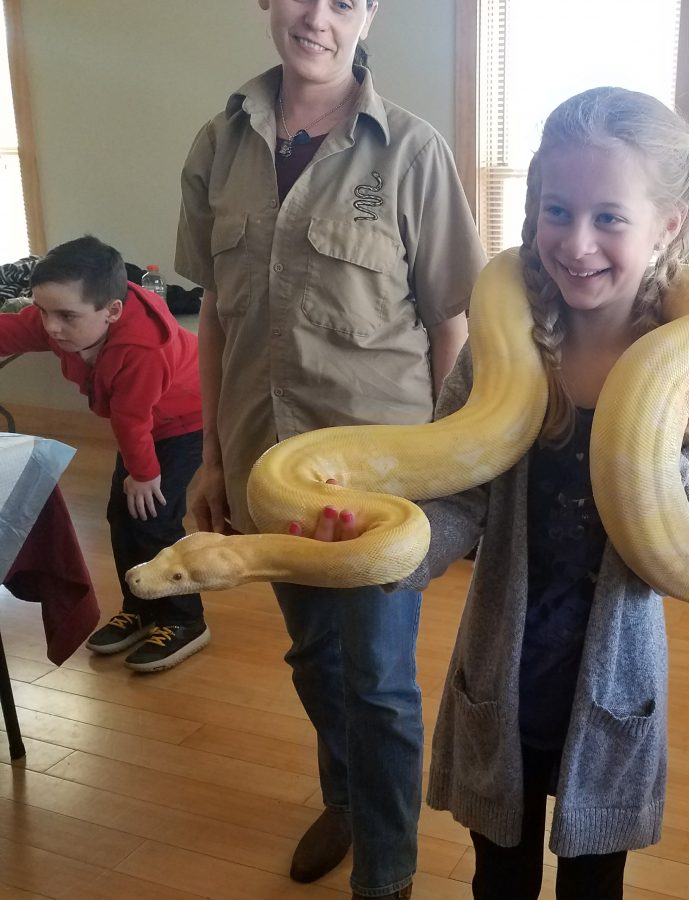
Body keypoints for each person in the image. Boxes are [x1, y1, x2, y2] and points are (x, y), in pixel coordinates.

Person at [305, 86, 689, 900]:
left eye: (610, 217)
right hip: (501, 675)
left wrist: (680, 444)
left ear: (667, 226)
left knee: (592, 884)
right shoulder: (500, 354)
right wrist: (384, 548)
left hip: (610, 690)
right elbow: (455, 498)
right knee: (497, 877)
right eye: (555, 210)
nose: (575, 243)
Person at [173, 1, 484, 898]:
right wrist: (214, 457)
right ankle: (344, 800)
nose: (318, 15)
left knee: (380, 681)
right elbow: (217, 324)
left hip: (381, 483)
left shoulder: (412, 152)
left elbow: (449, 324)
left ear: (369, 12)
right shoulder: (217, 144)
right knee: (316, 659)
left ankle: (385, 874)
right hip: (265, 463)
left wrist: (442, 470)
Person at [0, 236, 207, 672]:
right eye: (42, 310)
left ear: (111, 310)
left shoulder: (141, 348)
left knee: (154, 519)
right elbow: (11, 330)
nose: (51, 326)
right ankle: (140, 603)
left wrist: (144, 473)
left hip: (184, 422)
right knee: (121, 514)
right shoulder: (66, 319)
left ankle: (184, 620)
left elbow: (131, 419)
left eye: (66, 316)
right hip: (141, 427)